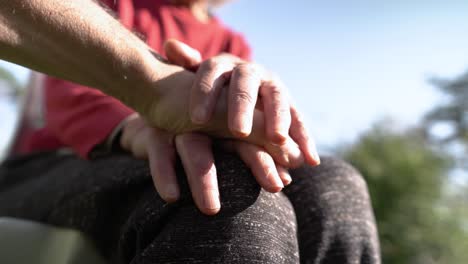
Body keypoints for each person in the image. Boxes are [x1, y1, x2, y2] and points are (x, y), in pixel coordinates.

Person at [0, 0, 381, 263]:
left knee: (335, 183)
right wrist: (138, 126)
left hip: (156, 163)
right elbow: (68, 97)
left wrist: (247, 129)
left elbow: (231, 126)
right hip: (50, 165)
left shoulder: (233, 43)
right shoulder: (110, 4)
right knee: (216, 193)